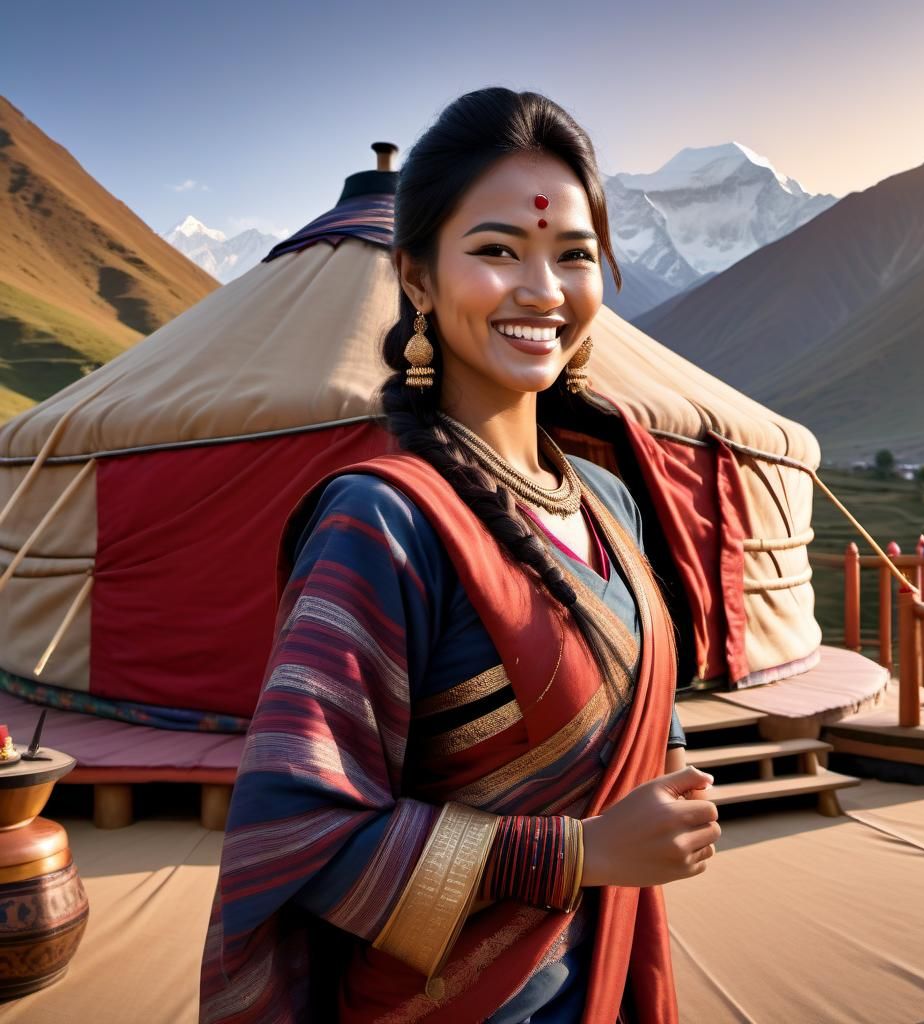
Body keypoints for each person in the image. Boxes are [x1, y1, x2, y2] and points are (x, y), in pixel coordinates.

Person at [199, 87, 720, 1024]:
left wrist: (662, 755)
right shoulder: (381, 522)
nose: (543, 291)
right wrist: (585, 852)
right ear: (417, 279)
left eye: (574, 255)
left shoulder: (606, 499)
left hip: (613, 981)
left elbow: (640, 701)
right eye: (496, 251)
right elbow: (299, 833)